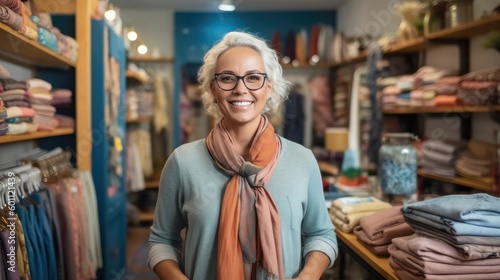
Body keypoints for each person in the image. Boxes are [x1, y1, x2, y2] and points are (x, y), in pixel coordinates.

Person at [148, 31, 338, 280]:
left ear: (269, 87)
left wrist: (307, 276)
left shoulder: (302, 160)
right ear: (213, 88)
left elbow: (321, 235)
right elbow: (161, 241)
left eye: (253, 78)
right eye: (227, 78)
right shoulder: (183, 162)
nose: (241, 89)